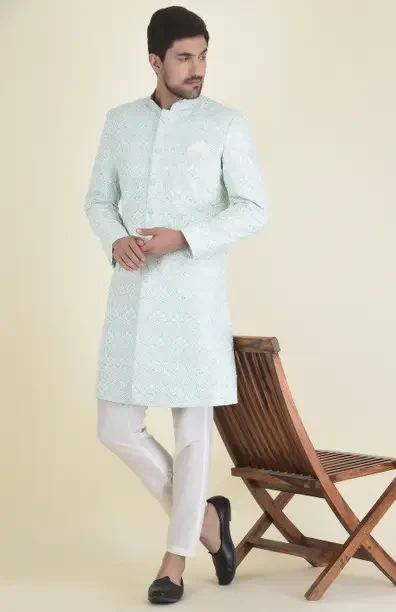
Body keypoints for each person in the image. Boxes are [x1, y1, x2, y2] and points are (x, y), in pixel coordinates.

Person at [84, 5, 269, 605]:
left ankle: (174, 560)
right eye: (184, 58)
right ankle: (211, 523)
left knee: (192, 434)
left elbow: (253, 208)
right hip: (132, 294)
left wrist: (185, 238)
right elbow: (98, 199)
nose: (198, 69)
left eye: (203, 55)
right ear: (155, 61)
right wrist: (115, 238)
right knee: (116, 427)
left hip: (194, 297)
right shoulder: (121, 123)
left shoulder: (226, 124)